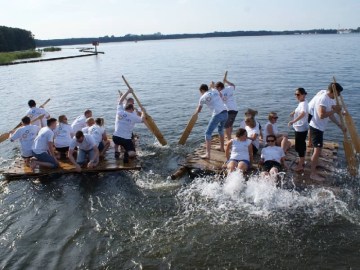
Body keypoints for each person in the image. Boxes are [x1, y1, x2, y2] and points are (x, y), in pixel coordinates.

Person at [309, 83, 345, 181]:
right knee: (317, 150)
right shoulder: (324, 99)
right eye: (338, 93)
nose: (339, 95)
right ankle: (312, 173)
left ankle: (315, 163)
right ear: (334, 91)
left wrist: (339, 124)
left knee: (317, 149)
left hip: (319, 127)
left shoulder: (329, 98)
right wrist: (335, 110)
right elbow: (321, 115)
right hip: (316, 127)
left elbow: (331, 114)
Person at [113, 88, 146, 162]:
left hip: (115, 137)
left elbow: (120, 100)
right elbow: (142, 119)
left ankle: (116, 152)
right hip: (125, 139)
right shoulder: (133, 116)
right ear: (131, 109)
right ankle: (126, 154)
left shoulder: (120, 111)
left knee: (118, 141)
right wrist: (143, 111)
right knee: (132, 153)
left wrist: (128, 91)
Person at [196, 83, 228, 159]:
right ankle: (222, 148)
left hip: (217, 114)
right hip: (225, 112)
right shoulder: (214, 90)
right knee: (220, 130)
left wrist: (196, 111)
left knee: (207, 133)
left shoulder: (202, 97)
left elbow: (199, 110)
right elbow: (220, 95)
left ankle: (208, 154)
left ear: (201, 90)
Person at [288, 88, 309, 172]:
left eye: (298, 94)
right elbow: (300, 109)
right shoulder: (303, 102)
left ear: (303, 94)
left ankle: (301, 165)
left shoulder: (303, 103)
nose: (296, 96)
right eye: (295, 94)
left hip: (301, 127)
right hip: (300, 127)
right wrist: (294, 112)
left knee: (299, 146)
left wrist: (293, 121)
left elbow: (303, 113)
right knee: (300, 145)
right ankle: (301, 160)